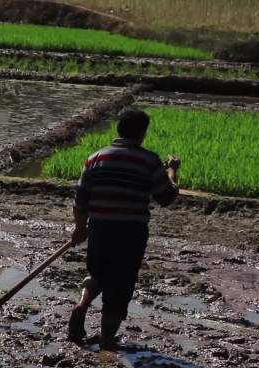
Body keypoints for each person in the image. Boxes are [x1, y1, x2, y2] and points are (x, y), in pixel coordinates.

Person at [68, 107, 180, 350]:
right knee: (120, 285)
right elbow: (167, 197)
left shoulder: (95, 158)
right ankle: (107, 340)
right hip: (130, 233)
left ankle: (82, 305)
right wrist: (172, 170)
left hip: (99, 229)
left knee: (97, 273)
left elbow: (80, 200)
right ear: (141, 133)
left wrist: (80, 228)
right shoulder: (148, 161)